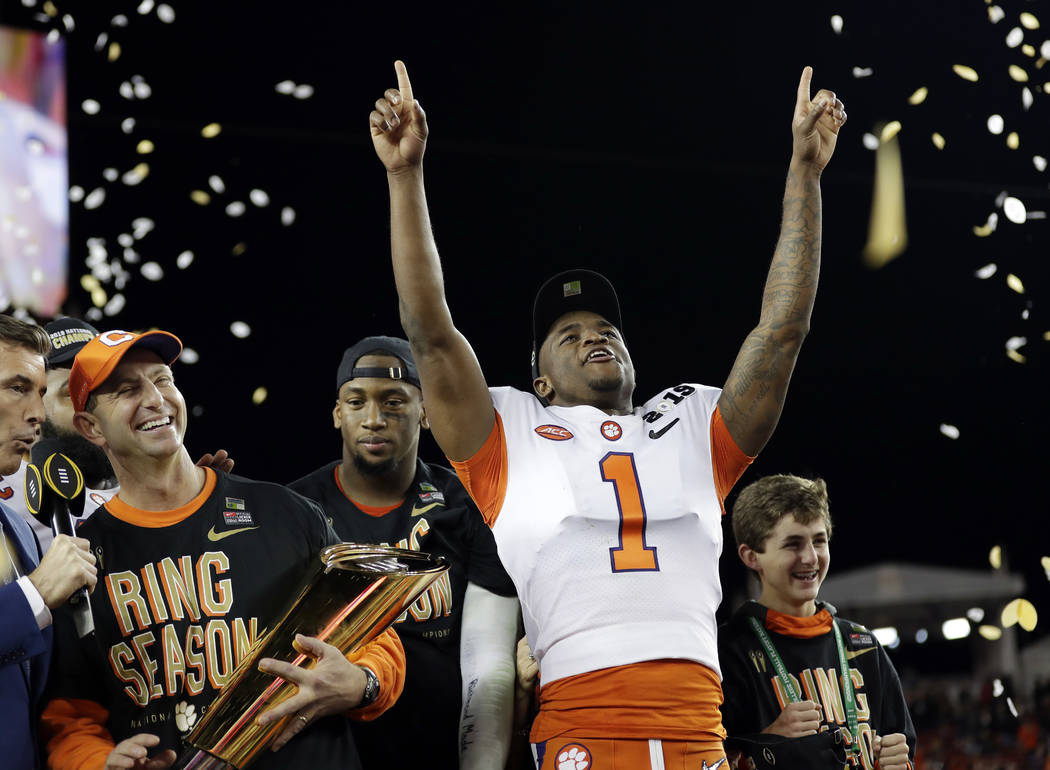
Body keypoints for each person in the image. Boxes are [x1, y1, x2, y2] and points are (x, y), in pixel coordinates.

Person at [368, 60, 846, 769]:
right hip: (582, 726)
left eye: (606, 328)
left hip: (699, 728)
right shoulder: (508, 433)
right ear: (539, 381)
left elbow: (781, 332)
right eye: (568, 334)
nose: (594, 336)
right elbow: (431, 333)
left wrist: (805, 172)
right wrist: (405, 177)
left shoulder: (692, 422)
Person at [41, 329, 406, 770]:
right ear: (91, 427)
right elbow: (70, 721)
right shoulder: (82, 560)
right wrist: (101, 763)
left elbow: (375, 633)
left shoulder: (284, 511)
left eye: (162, 380)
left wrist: (362, 683)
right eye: (126, 390)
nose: (155, 399)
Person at [289, 335, 520, 769]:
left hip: (441, 747)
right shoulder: (294, 510)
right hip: (336, 750)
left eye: (394, 402)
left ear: (426, 412)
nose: (373, 419)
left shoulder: (467, 504)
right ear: (337, 414)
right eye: (356, 402)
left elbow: (488, 660)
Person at [719, 474, 915, 768]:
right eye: (793, 544)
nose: (811, 558)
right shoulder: (727, 652)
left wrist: (899, 761)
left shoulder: (863, 644)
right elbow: (707, 758)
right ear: (751, 557)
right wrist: (769, 742)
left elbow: (903, 747)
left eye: (819, 541)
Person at [1, 316, 233, 551]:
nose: (96, 408)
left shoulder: (146, 496)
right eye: (74, 394)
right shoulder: (9, 489)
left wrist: (190, 519)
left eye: (114, 390)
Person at [0, 314, 97, 769]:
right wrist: (34, 594)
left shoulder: (19, 531)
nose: (38, 413)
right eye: (17, 388)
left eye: (40, 392)